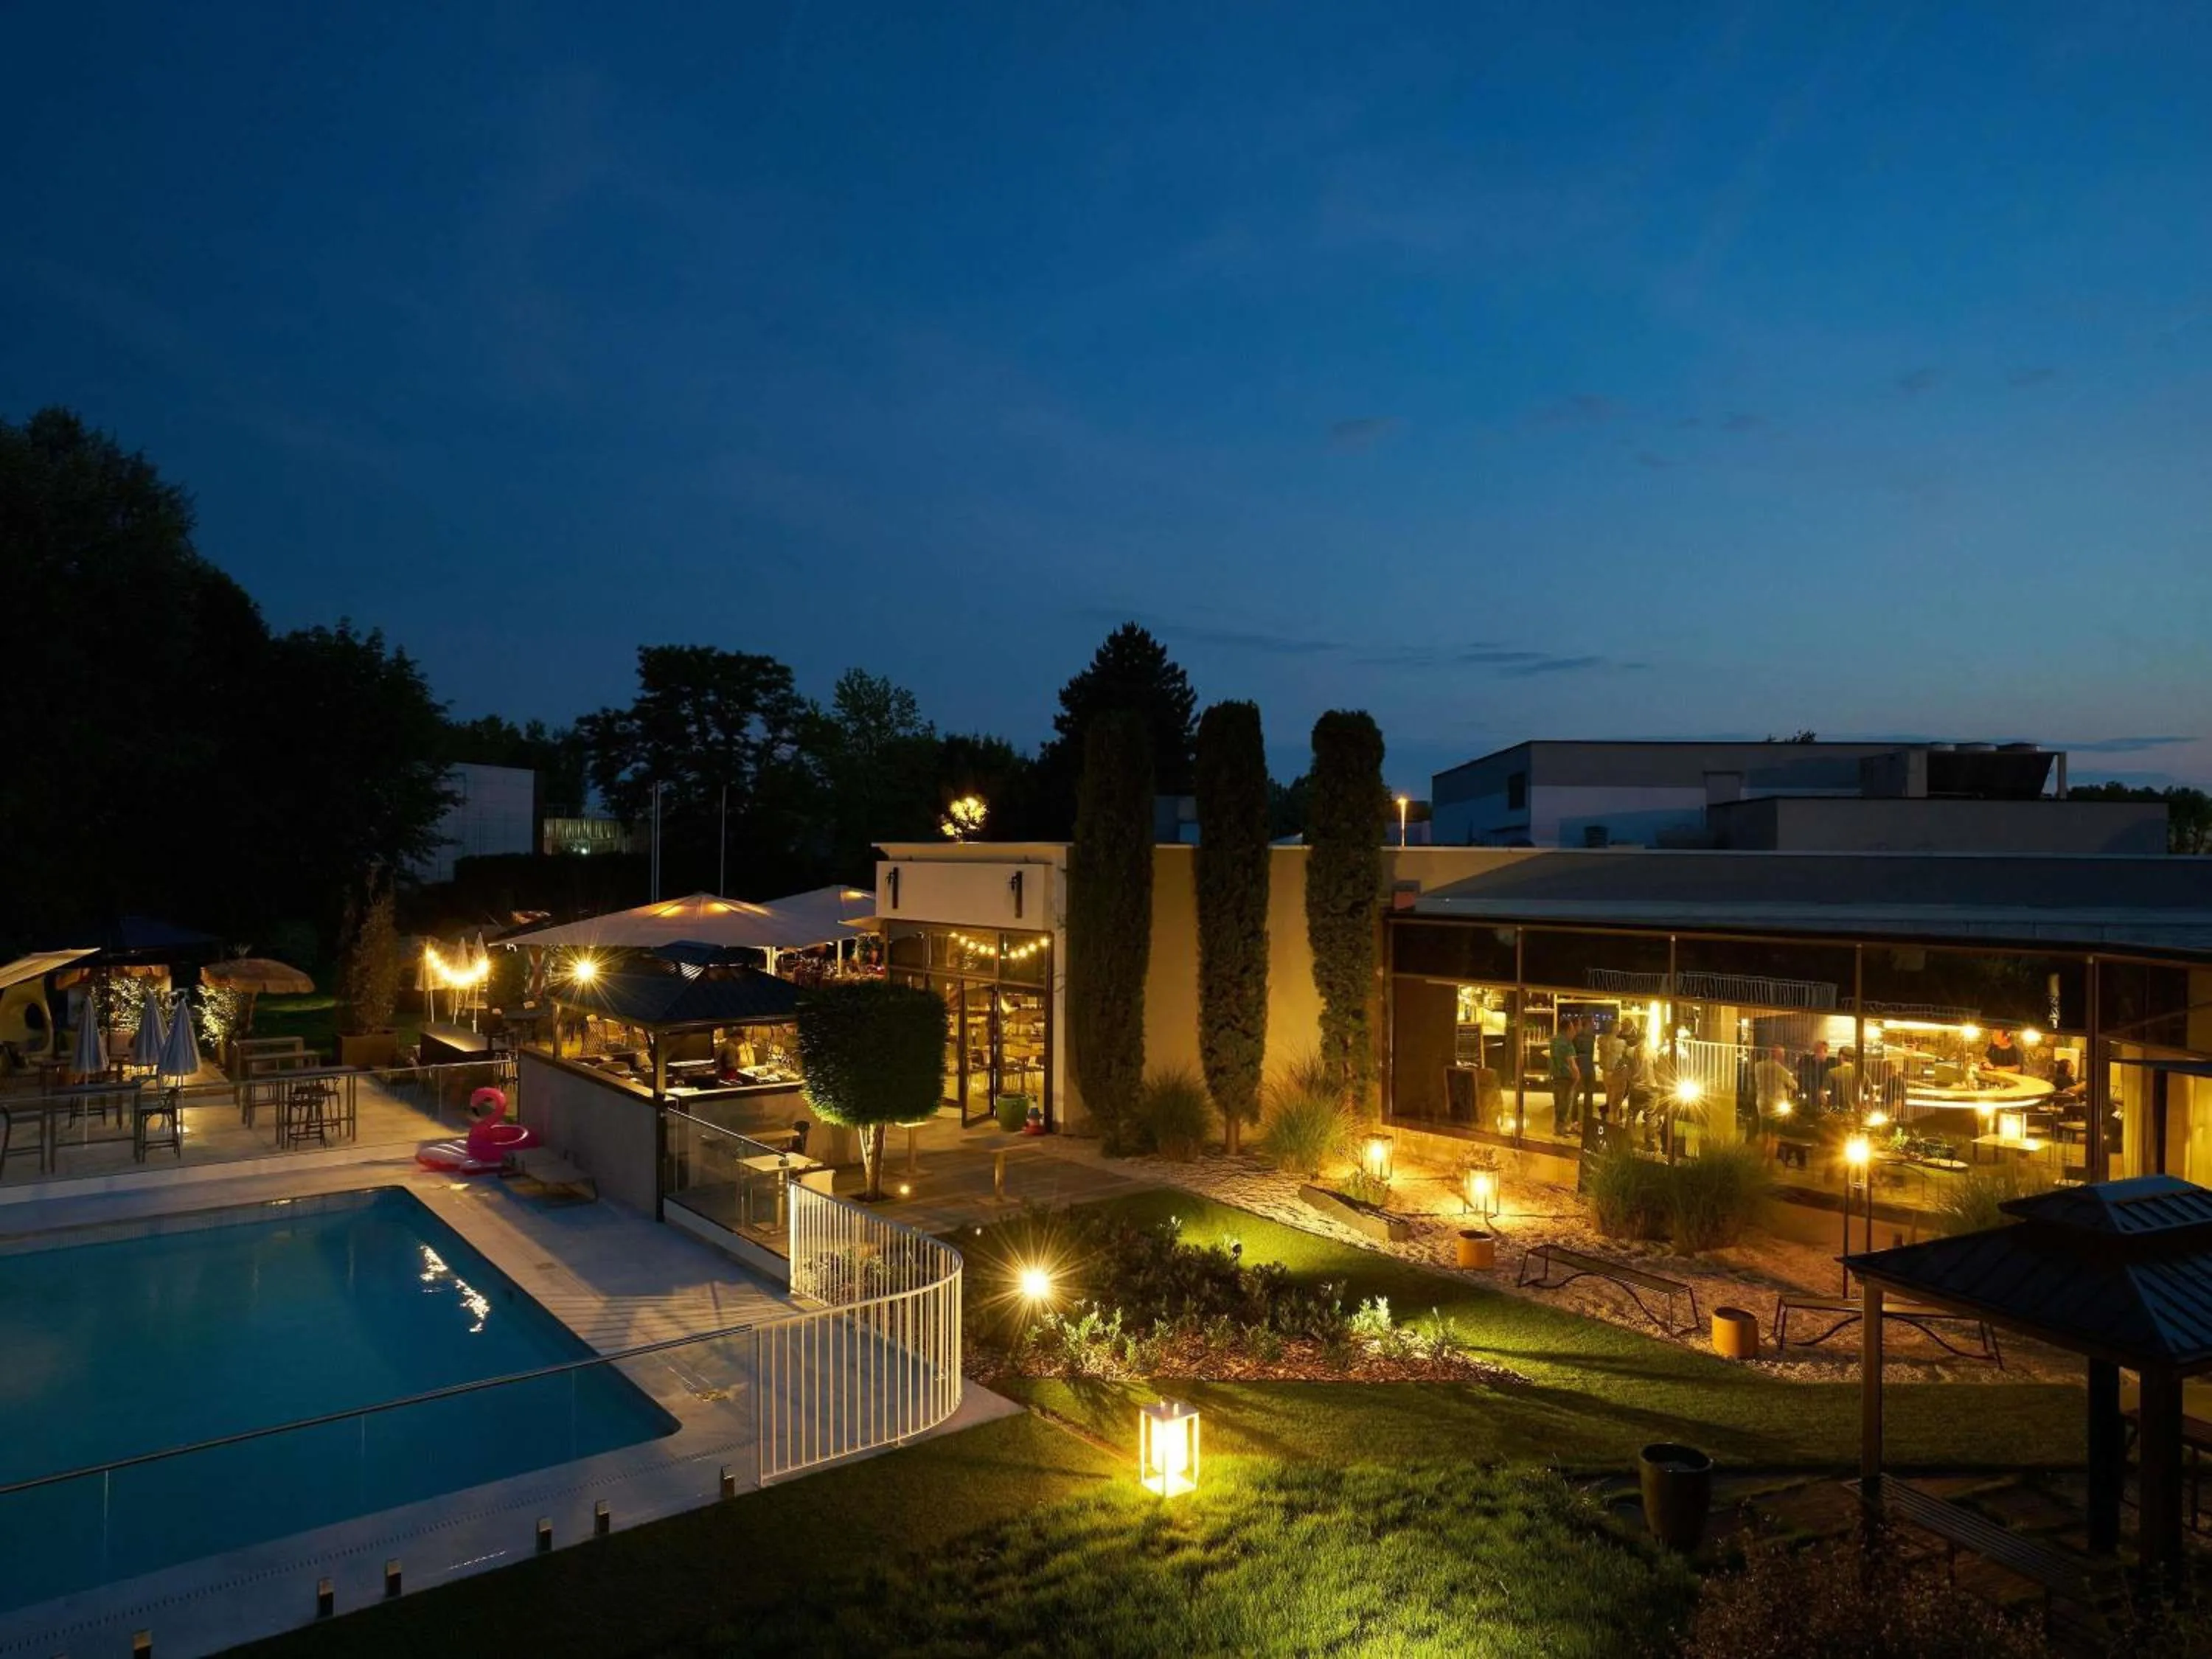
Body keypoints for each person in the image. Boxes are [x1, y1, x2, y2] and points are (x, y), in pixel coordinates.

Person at [1548, 1015, 1582, 1133]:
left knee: (1558, 1103)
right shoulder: (1568, 1044)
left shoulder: (1554, 1041)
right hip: (1566, 1078)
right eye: (1572, 1029)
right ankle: (1562, 1128)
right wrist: (1577, 1076)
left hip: (1555, 1076)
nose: (1574, 1032)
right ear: (1567, 1030)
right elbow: (1571, 1063)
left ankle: (1558, 1127)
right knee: (1565, 1104)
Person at [1572, 1013, 1599, 1125]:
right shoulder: (1585, 1037)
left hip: (1584, 1067)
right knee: (1586, 1094)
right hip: (1585, 1067)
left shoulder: (1580, 1036)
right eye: (1592, 1022)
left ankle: (1576, 1119)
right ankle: (1585, 1118)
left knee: (1580, 1094)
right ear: (1587, 1024)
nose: (1594, 1024)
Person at [1599, 1020, 1630, 1118]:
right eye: (1618, 1027)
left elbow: (1602, 1059)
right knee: (1616, 1097)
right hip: (1615, 1072)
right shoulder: (1621, 1043)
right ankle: (1613, 1118)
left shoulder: (1602, 1040)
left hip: (1606, 1071)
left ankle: (1609, 1115)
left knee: (1610, 1095)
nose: (1619, 1029)